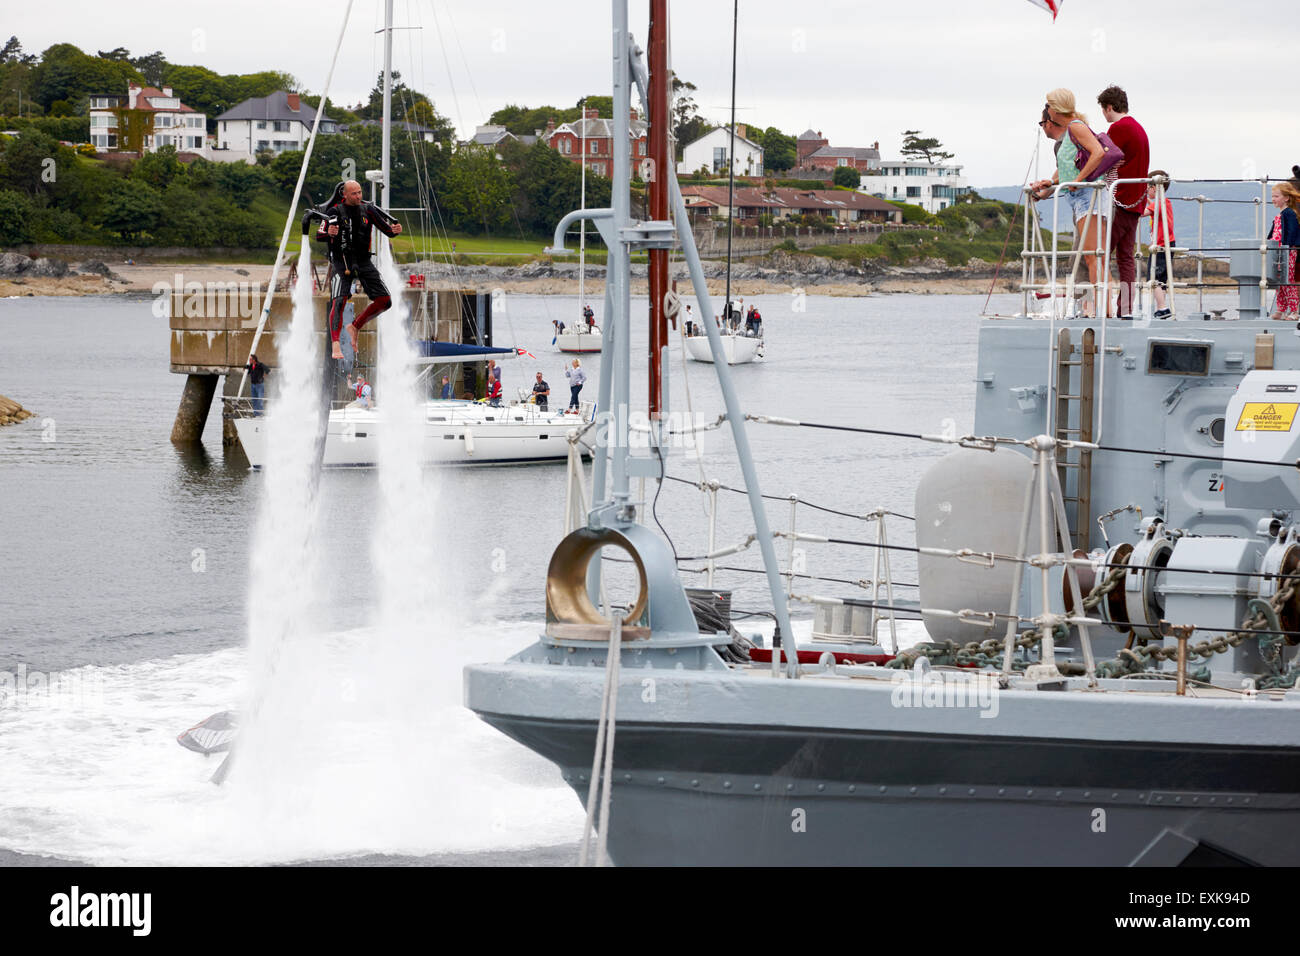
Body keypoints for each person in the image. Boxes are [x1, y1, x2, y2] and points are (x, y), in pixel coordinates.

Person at [1030, 91, 1116, 317]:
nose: (1046, 108)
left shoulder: (1076, 127)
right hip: (1080, 198)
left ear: (1055, 110)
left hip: (1089, 196)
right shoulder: (1071, 130)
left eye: (1048, 105)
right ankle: (1105, 308)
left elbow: (1098, 153)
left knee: (1093, 256)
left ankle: (1104, 311)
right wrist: (1052, 181)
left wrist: (1078, 181)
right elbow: (1071, 164)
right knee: (1094, 256)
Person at [316, 180, 403, 360]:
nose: (358, 196)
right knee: (339, 300)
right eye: (354, 194)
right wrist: (329, 233)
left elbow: (387, 230)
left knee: (385, 301)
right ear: (345, 195)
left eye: (360, 192)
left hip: (364, 261)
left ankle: (355, 326)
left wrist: (395, 230)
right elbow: (320, 234)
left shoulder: (368, 210)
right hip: (343, 262)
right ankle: (336, 344)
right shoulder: (334, 211)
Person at [1097, 85, 1149, 317]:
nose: (1104, 115)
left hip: (1119, 201)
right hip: (1136, 202)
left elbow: (1106, 158)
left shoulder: (1118, 128)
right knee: (1126, 259)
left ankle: (1094, 307)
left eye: (1104, 110)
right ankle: (1125, 309)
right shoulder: (1139, 128)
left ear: (1109, 107)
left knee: (1099, 254)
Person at [1142, 172, 1176, 318]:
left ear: (1155, 188)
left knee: (1153, 278)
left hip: (1161, 245)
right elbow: (1152, 207)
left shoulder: (1160, 203)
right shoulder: (1164, 202)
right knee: (1161, 279)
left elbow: (1143, 213)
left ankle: (1162, 307)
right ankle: (1161, 307)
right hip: (1167, 243)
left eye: (1147, 188)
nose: (1145, 190)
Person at [1268, 182, 1300, 320]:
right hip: (1277, 251)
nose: (1273, 199)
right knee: (1278, 281)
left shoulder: (1289, 213)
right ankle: (1280, 309)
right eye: (1272, 196)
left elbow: (1292, 231)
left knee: (1288, 279)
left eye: (1276, 196)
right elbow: (1273, 233)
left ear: (1286, 198)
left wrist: (1287, 247)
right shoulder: (1280, 214)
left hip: (1287, 251)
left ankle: (1294, 310)